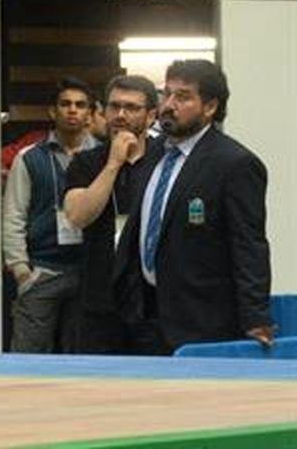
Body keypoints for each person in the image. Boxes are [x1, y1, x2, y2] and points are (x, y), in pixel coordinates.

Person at [112, 59, 274, 355]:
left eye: (183, 96)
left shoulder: (234, 164)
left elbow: (249, 245)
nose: (169, 105)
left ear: (210, 107)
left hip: (203, 320)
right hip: (144, 316)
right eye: (167, 93)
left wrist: (255, 316)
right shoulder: (151, 154)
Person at [1, 77, 100, 353]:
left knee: (84, 361)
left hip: (89, 274)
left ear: (90, 114)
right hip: (42, 270)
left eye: (80, 105)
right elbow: (14, 215)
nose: (72, 110)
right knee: (27, 360)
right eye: (65, 104)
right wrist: (21, 271)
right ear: (52, 112)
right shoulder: (29, 157)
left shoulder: (105, 157)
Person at [62, 76, 159, 353]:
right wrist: (114, 163)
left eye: (131, 108)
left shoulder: (165, 159)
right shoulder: (87, 162)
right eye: (114, 106)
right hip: (100, 299)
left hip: (153, 299)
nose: (121, 115)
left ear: (151, 115)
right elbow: (78, 216)